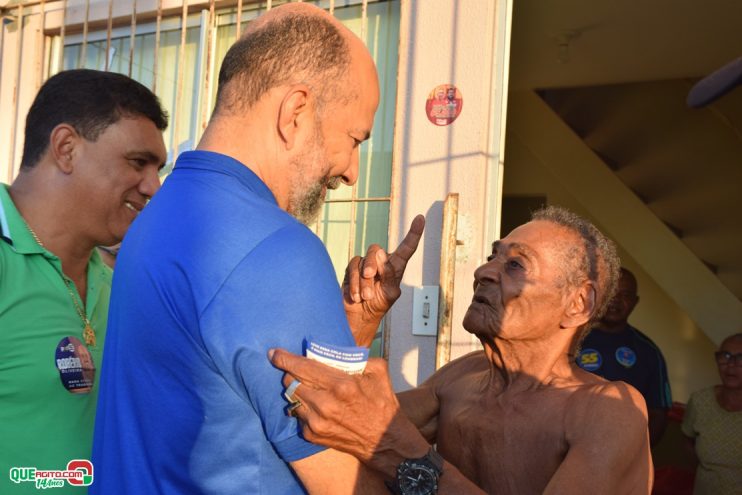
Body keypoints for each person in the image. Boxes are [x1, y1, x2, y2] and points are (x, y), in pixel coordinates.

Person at [91, 4, 425, 494]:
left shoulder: (157, 215)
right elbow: (347, 483)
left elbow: (226, 394)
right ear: (295, 112)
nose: (353, 170)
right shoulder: (278, 249)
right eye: (354, 139)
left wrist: (348, 329)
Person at [271, 206, 654, 494]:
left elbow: (381, 439)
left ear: (578, 303)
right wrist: (361, 320)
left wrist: (399, 451)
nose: (484, 272)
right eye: (493, 256)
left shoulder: (609, 410)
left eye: (516, 264)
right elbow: (335, 423)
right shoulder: (462, 378)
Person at [0, 69, 167, 494]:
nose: (153, 186)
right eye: (138, 162)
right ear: (66, 148)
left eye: (158, 168)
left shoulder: (117, 283)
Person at [576, 267, 672, 447]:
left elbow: (658, 413)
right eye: (610, 291)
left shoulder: (649, 351)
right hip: (568, 446)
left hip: (623, 451)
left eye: (625, 295)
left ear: (635, 302)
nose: (616, 300)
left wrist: (637, 457)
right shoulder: (568, 341)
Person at [681, 333, 742, 494]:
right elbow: (688, 441)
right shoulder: (700, 401)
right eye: (725, 356)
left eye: (740, 358)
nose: (730, 365)